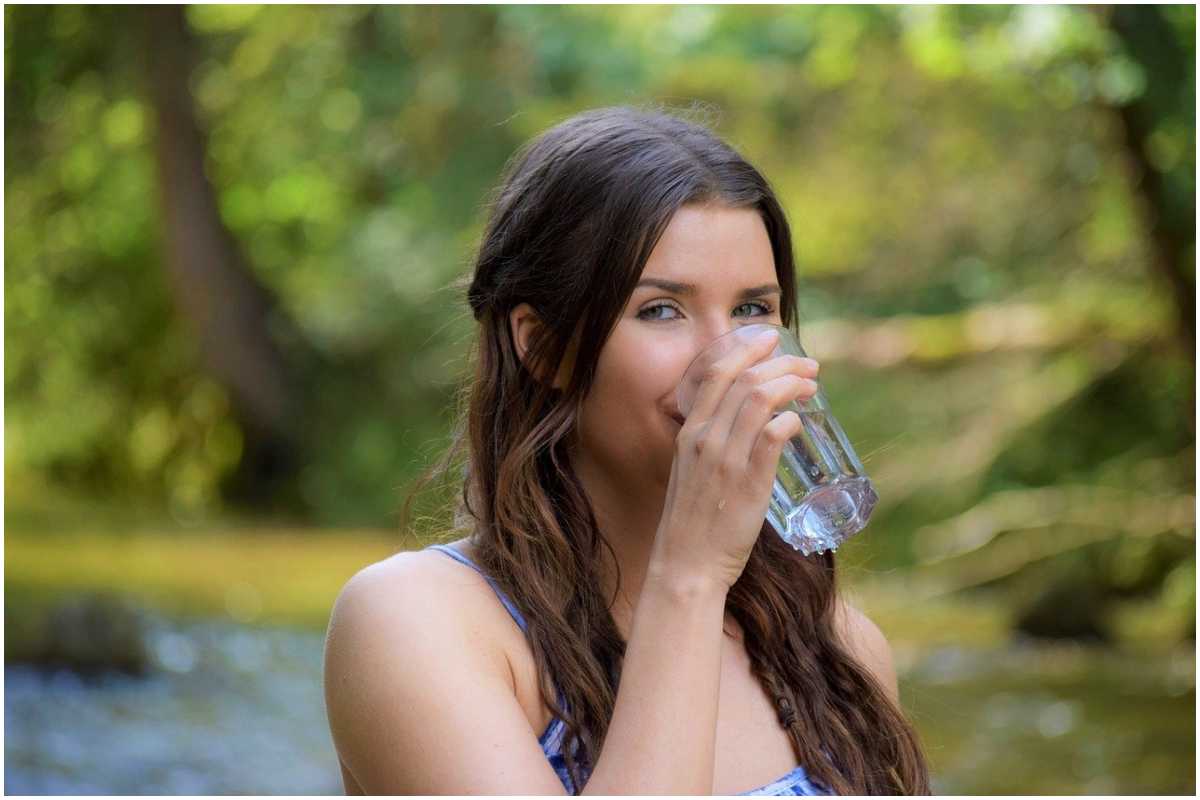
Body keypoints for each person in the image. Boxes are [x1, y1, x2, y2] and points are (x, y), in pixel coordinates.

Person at [323, 105, 931, 795]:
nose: (725, 358)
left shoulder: (842, 656)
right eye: (661, 310)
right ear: (544, 347)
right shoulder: (419, 623)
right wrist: (692, 576)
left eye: (753, 310)